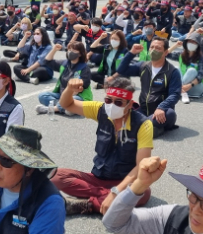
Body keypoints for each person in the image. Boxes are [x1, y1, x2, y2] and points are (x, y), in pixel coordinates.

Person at [54, 77, 153, 215]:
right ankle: (105, 197)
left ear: (130, 104)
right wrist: (69, 89)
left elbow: (141, 166)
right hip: (98, 178)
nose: (111, 105)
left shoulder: (143, 124)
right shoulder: (100, 110)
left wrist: (117, 191)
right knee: (56, 176)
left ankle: (87, 204)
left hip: (124, 180)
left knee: (144, 193)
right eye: (108, 100)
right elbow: (66, 104)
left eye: (118, 102)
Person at [117, 37, 181, 136]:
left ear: (166, 52)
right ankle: (148, 128)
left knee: (170, 113)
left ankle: (141, 127)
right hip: (143, 109)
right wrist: (131, 53)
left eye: (158, 48)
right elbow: (121, 70)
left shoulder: (172, 71)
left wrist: (161, 107)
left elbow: (175, 94)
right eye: (152, 47)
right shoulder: (143, 66)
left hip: (162, 112)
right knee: (121, 110)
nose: (154, 50)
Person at [36, 40, 92, 116]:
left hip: (78, 97)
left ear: (80, 54)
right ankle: (68, 108)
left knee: (75, 99)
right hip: (62, 95)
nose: (70, 52)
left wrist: (67, 99)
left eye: (73, 50)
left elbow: (82, 87)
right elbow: (47, 61)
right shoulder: (64, 63)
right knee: (42, 96)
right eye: (69, 49)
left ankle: (52, 109)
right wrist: (54, 49)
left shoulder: (84, 68)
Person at [169, 33, 203, 103]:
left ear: (198, 46)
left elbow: (200, 76)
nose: (191, 44)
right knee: (176, 68)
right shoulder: (181, 55)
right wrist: (175, 45)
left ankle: (177, 90)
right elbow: (165, 54)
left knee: (192, 70)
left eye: (194, 42)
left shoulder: (201, 58)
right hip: (182, 87)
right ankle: (182, 92)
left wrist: (190, 85)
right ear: (186, 43)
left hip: (195, 87)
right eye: (190, 42)